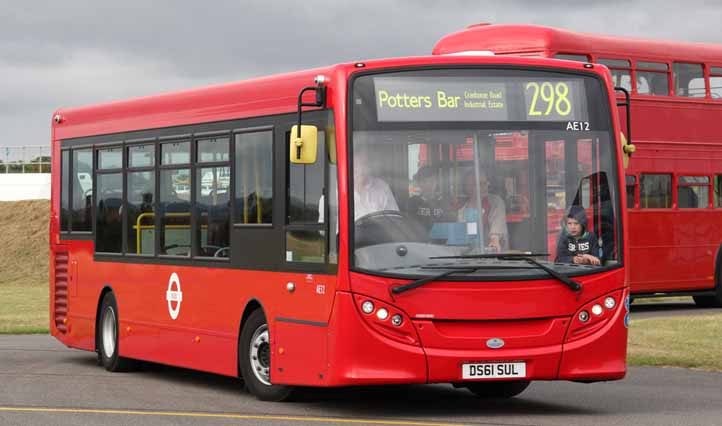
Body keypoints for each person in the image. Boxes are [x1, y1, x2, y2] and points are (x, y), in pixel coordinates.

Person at [457, 169, 508, 252]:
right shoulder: (462, 210)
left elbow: (497, 227)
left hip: (494, 255)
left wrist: (494, 239)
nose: (486, 186)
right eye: (481, 184)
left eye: (486, 183)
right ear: (469, 188)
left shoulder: (496, 202)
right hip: (470, 255)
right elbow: (462, 236)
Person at [353, 145, 398, 220]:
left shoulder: (382, 187)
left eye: (364, 164)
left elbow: (394, 219)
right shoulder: (338, 190)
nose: (361, 169)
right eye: (356, 165)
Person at [407, 165, 453, 231]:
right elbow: (410, 226)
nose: (429, 185)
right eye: (424, 181)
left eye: (432, 181)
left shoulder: (444, 202)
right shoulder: (413, 202)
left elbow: (449, 224)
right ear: (419, 183)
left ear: (437, 182)